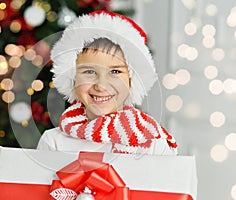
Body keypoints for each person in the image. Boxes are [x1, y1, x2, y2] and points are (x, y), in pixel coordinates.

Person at [37, 10, 177, 155]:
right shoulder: (53, 142)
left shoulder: (153, 142)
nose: (101, 85)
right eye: (89, 72)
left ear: (132, 80)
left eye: (115, 72)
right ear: (72, 78)